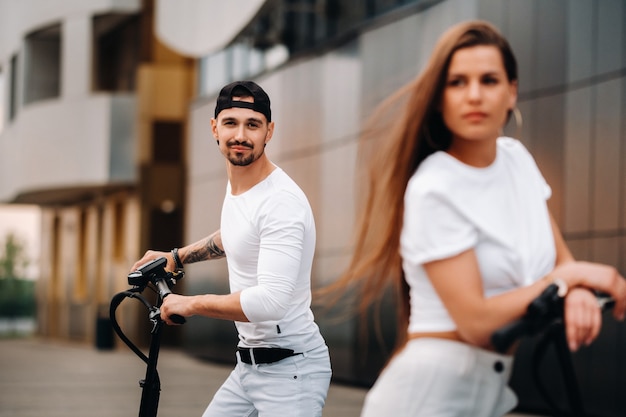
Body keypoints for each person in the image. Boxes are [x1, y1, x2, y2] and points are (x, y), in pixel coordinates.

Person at [324, 20, 626, 416]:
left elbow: (560, 261)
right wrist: (571, 281)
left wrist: (579, 293)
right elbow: (477, 322)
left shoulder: (517, 160)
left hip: (487, 393)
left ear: (511, 91)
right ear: (438, 98)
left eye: (489, 80)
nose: (474, 95)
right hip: (425, 397)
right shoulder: (435, 187)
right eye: (457, 83)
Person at [130, 81, 332, 417]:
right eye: (230, 123)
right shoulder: (242, 185)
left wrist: (191, 303)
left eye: (252, 125)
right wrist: (176, 256)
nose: (240, 135)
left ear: (269, 131)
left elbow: (270, 300)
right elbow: (236, 235)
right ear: (214, 128)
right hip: (247, 369)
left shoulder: (281, 202)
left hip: (291, 373)